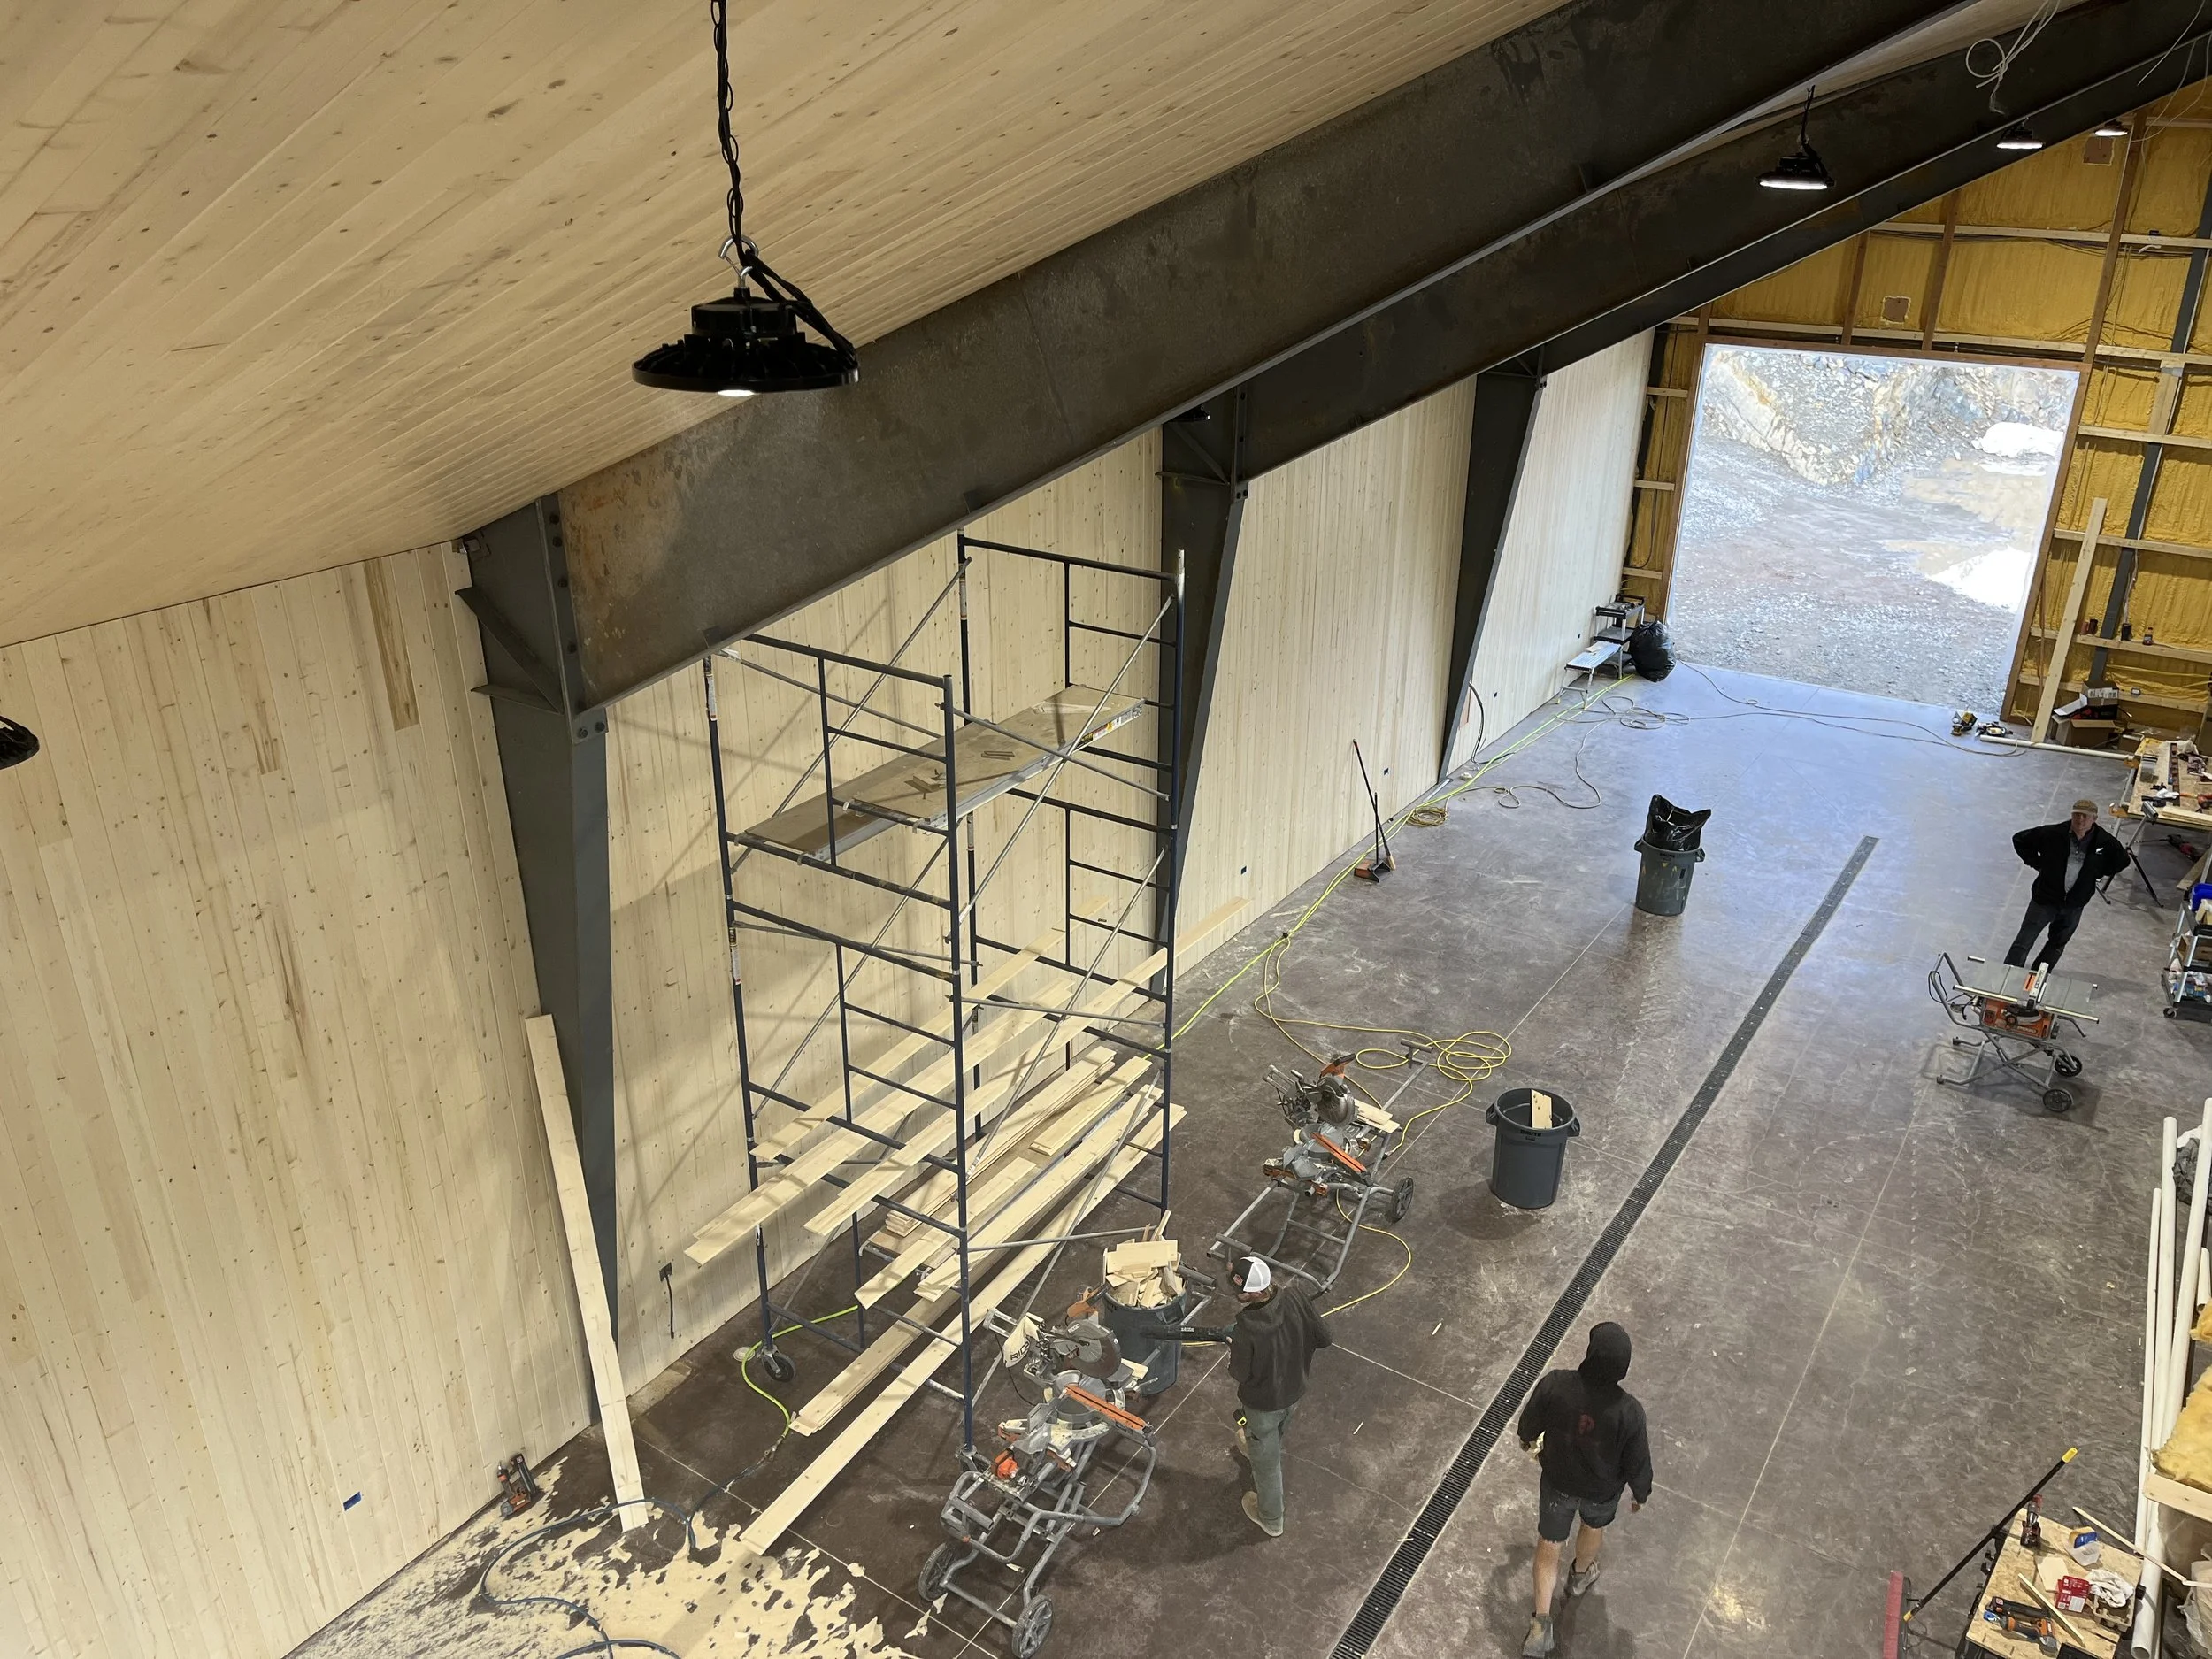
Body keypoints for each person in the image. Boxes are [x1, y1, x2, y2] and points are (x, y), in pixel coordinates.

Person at [1515, 1322, 1652, 1658]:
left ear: (1589, 1354)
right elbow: (1638, 1461)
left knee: (1549, 1545)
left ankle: (1541, 1624)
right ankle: (1579, 1576)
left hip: (1557, 1485)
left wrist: (1529, 1442)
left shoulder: (1556, 1385)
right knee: (1592, 1528)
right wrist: (1641, 1493)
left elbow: (1527, 1426)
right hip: (1601, 1493)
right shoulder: (1629, 1412)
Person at [1225, 1255, 1331, 1538]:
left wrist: (1236, 1348)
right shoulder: (1297, 1297)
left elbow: (1240, 1374)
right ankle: (1256, 1446)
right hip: (1296, 1388)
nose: (1239, 1296)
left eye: (1242, 1292)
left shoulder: (1246, 1329)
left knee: (1267, 1466)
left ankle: (1271, 1518)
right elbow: (1325, 1338)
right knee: (1277, 1427)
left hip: (1264, 1404)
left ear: (1258, 1291)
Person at [2005, 799, 2129, 971]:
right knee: (2024, 940)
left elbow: (2123, 860)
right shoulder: (2053, 834)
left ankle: (2036, 979)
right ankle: (2008, 976)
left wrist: (2097, 872)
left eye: (2085, 816)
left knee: (2056, 945)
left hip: (2074, 905)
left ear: (2094, 819)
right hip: (2045, 899)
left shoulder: (2104, 842)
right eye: (2076, 815)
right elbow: (2020, 840)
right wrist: (2038, 863)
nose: (2080, 819)